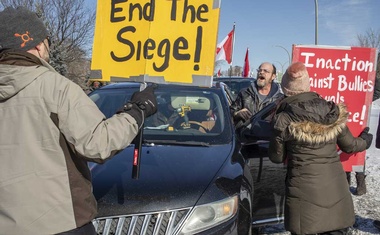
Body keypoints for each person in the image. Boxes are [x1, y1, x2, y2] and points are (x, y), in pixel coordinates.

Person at [0, 7, 157, 235]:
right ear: (35, 44)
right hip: (60, 222)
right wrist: (137, 111)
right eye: (47, 42)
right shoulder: (55, 87)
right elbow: (98, 144)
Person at [268, 62, 373, 235]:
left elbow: (277, 157)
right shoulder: (331, 111)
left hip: (303, 195)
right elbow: (350, 146)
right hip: (335, 190)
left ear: (286, 89)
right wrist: (365, 139)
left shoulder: (283, 119)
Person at [230, 62, 284, 129]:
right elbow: (230, 113)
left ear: (273, 76)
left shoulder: (279, 99)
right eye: (259, 70)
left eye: (265, 71)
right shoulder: (245, 93)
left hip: (268, 138)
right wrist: (237, 114)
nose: (261, 72)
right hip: (245, 137)